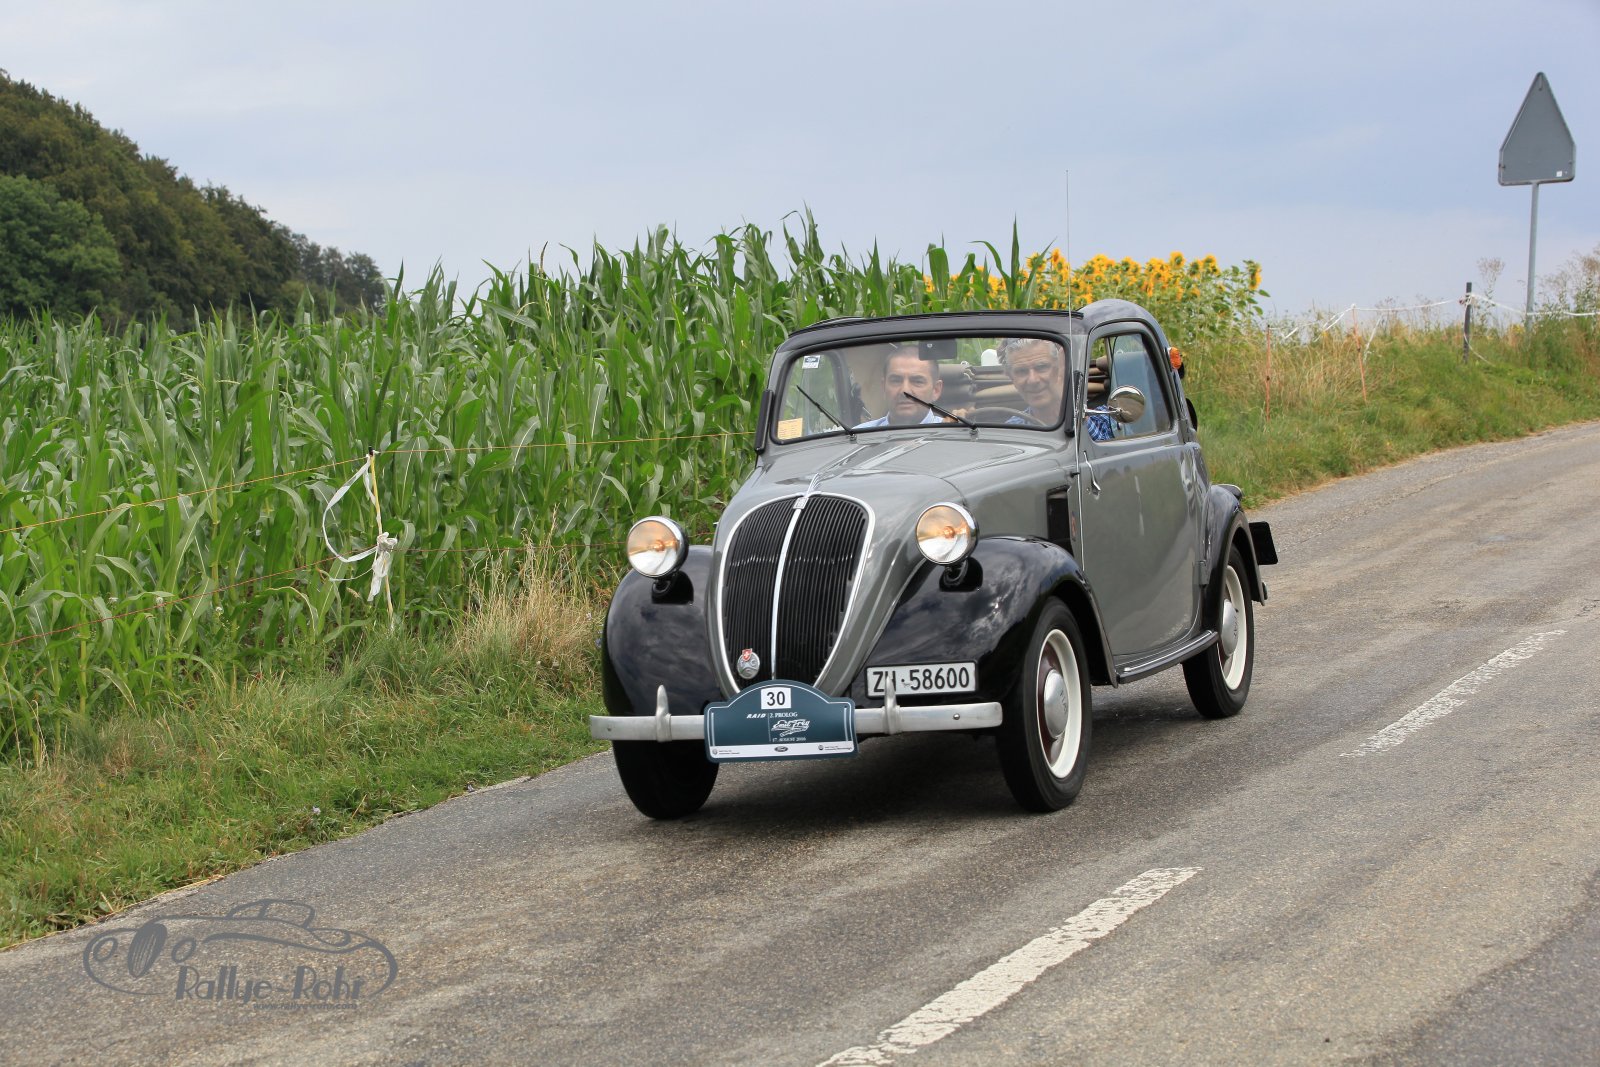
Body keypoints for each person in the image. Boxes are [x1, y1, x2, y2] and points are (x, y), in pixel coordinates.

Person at [999, 337, 1113, 439]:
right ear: (1011, 378)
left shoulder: (1107, 416)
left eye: (1041, 367)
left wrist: (1068, 404)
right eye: (1021, 371)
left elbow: (1106, 452)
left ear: (1060, 368)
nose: (1033, 380)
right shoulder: (1010, 432)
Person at [855, 346, 945, 427]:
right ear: (883, 388)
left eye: (917, 381)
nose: (905, 390)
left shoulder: (951, 432)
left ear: (936, 390)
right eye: (896, 381)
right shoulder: (859, 436)